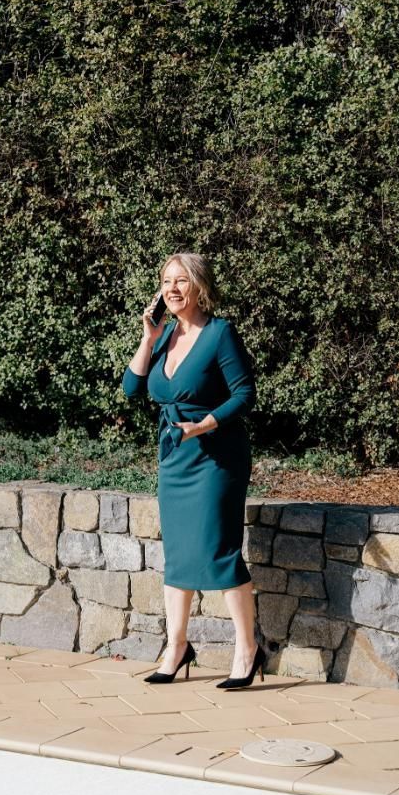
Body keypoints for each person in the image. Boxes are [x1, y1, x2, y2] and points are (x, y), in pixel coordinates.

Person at [121, 252, 265, 687]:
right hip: (174, 456)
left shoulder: (221, 333)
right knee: (179, 554)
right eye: (166, 281)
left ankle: (248, 650)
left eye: (181, 280)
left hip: (215, 456)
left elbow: (245, 394)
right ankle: (177, 647)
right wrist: (148, 338)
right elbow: (131, 388)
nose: (172, 288)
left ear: (199, 286)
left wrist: (204, 424)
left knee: (219, 551)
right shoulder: (163, 336)